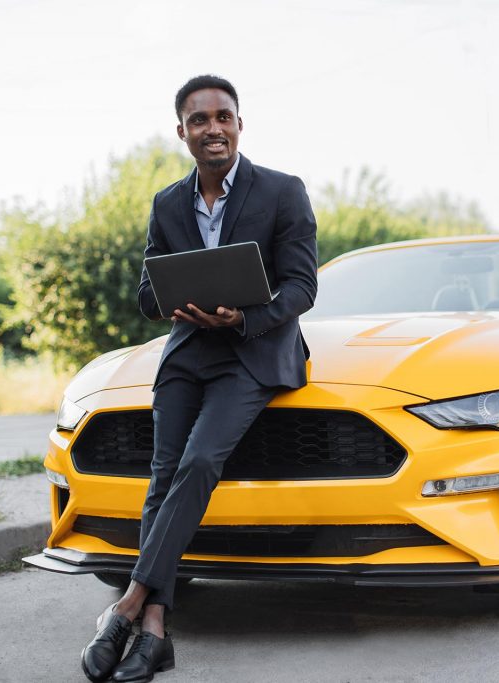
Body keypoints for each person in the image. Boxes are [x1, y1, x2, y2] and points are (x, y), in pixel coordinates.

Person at [80, 74, 318, 683]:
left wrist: (245, 316)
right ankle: (155, 631)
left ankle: (130, 601)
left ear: (239, 124)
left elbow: (301, 286)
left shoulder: (283, 191)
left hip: (254, 352)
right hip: (187, 353)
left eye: (224, 116)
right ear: (182, 131)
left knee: (199, 462)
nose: (214, 127)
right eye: (200, 119)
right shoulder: (167, 203)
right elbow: (145, 293)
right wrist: (174, 304)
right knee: (160, 479)